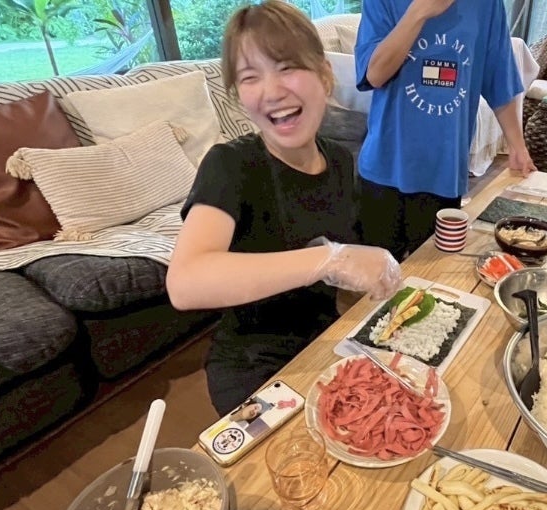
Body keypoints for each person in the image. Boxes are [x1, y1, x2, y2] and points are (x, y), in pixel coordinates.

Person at [166, 0, 402, 417]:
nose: (272, 91)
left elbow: (340, 274)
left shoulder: (339, 160)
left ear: (325, 76)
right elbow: (185, 283)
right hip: (254, 368)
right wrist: (332, 258)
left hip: (324, 346)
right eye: (250, 77)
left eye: (287, 67)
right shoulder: (231, 165)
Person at [354, 0, 537, 260]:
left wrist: (517, 146)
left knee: (431, 272)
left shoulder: (486, 5)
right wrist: (419, 12)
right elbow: (374, 74)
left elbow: (500, 79)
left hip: (444, 171)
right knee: (376, 276)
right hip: (384, 167)